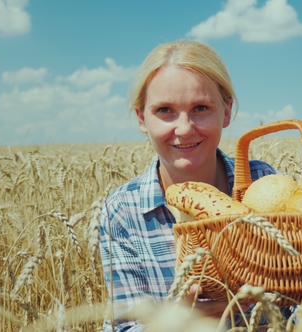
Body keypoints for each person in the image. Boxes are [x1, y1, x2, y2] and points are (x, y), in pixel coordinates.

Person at [98, 39, 279, 332]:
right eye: (165, 111)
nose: (184, 129)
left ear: (227, 111)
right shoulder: (122, 213)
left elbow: (299, 304)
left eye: (200, 108)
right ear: (142, 117)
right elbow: (123, 327)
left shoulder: (263, 182)